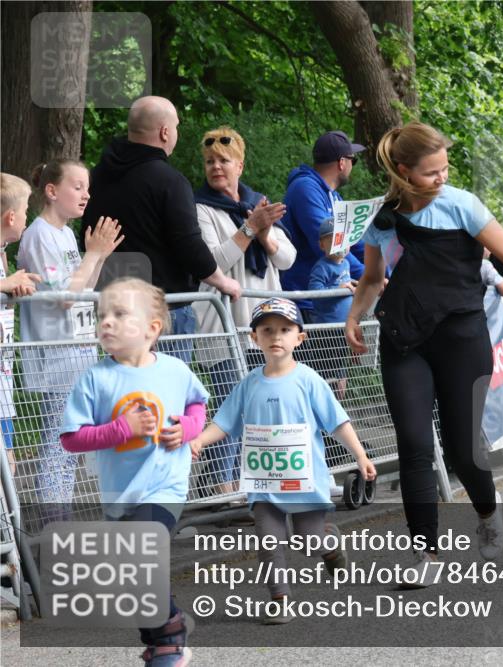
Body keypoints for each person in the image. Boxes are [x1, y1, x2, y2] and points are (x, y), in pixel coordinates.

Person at [345, 122, 503, 585]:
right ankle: (425, 554)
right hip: (405, 339)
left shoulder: (462, 205)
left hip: (462, 337)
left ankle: (488, 511)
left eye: (445, 169)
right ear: (404, 171)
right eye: (431, 173)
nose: (442, 178)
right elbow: (371, 277)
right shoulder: (382, 219)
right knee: (413, 443)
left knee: (463, 448)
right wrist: (354, 315)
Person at [189, 298, 375, 624]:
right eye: (267, 330)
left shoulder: (309, 380)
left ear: (299, 338)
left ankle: (329, 545)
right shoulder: (248, 384)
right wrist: (200, 440)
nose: (276, 336)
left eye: (285, 330)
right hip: (263, 482)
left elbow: (337, 421)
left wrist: (360, 456)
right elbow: (224, 421)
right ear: (254, 337)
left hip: (305, 480)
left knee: (309, 542)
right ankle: (280, 599)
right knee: (268, 541)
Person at [60, 277, 208, 666]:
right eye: (101, 315)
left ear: (151, 328)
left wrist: (188, 429)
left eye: (119, 314)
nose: (105, 322)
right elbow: (72, 439)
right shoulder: (95, 378)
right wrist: (121, 429)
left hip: (164, 486)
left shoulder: (175, 370)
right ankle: (164, 627)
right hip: (119, 494)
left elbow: (197, 407)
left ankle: (169, 641)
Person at [82, 96, 241, 364]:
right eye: (176, 126)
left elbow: (87, 233)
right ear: (165, 132)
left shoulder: (97, 176)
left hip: (115, 307)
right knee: (164, 397)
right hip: (164, 310)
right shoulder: (169, 181)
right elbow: (188, 243)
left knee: (125, 395)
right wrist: (223, 281)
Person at [192, 126, 294, 495]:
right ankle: (222, 487)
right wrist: (250, 228)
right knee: (228, 407)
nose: (216, 167)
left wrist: (264, 232)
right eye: (209, 162)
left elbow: (286, 258)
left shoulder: (257, 203)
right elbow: (212, 260)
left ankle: (249, 483)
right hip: (224, 323)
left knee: (258, 408)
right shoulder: (200, 207)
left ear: (240, 164)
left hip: (262, 323)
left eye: (223, 161)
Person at [18, 160, 123, 512]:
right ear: (51, 191)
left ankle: (58, 513)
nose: (86, 194)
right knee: (57, 442)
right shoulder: (39, 234)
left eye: (87, 187)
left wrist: (99, 257)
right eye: (77, 186)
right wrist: (91, 255)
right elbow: (64, 297)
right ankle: (53, 519)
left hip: (76, 350)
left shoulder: (64, 233)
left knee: (70, 443)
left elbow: (84, 288)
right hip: (56, 353)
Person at [279, 130, 366, 321]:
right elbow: (333, 244)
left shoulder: (333, 196)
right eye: (353, 160)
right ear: (342, 163)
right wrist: (369, 278)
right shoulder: (305, 188)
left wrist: (383, 270)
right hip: (308, 304)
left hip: (332, 305)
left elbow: (356, 241)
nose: (352, 166)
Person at [1, 173, 40, 475]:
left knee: (8, 466)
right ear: (11, 216)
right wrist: (5, 283)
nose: (28, 216)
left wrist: (14, 291)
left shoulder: (3, 254)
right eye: (26, 210)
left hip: (5, 379)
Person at [308, 219, 357, 400]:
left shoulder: (345, 264)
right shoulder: (322, 267)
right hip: (327, 329)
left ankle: (339, 406)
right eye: (334, 240)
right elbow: (314, 292)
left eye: (343, 240)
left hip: (343, 327)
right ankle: (323, 405)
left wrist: (352, 285)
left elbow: (345, 283)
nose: (340, 245)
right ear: (322, 245)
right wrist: (341, 290)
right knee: (326, 370)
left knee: (342, 369)